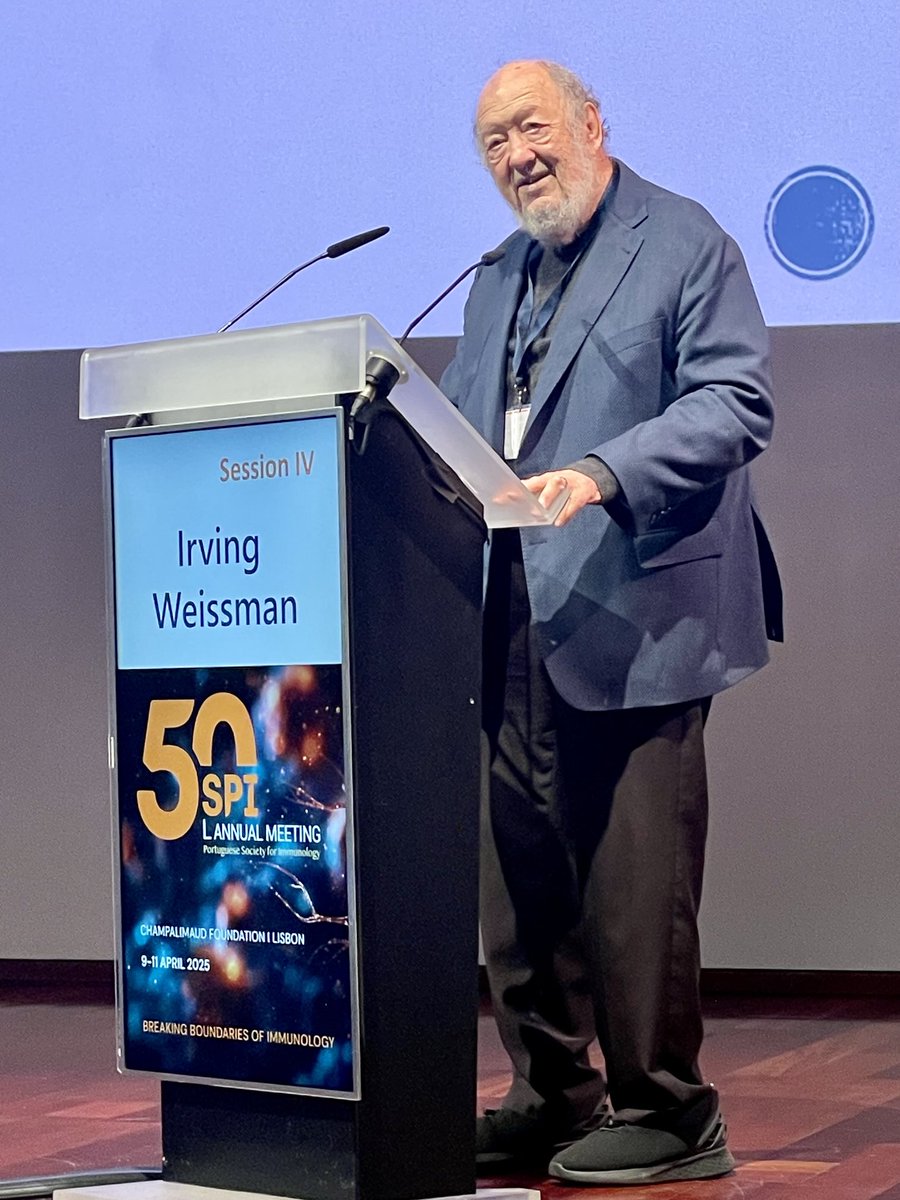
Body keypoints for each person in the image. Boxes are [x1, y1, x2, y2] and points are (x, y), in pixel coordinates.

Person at [440, 60, 782, 1187]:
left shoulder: (685, 242)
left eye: (532, 128)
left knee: (633, 884)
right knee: (518, 876)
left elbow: (735, 403)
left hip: (639, 606)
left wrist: (599, 472)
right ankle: (552, 1092)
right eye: (493, 143)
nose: (516, 157)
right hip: (512, 614)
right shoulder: (496, 277)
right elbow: (456, 429)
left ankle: (671, 1111)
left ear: (592, 124)